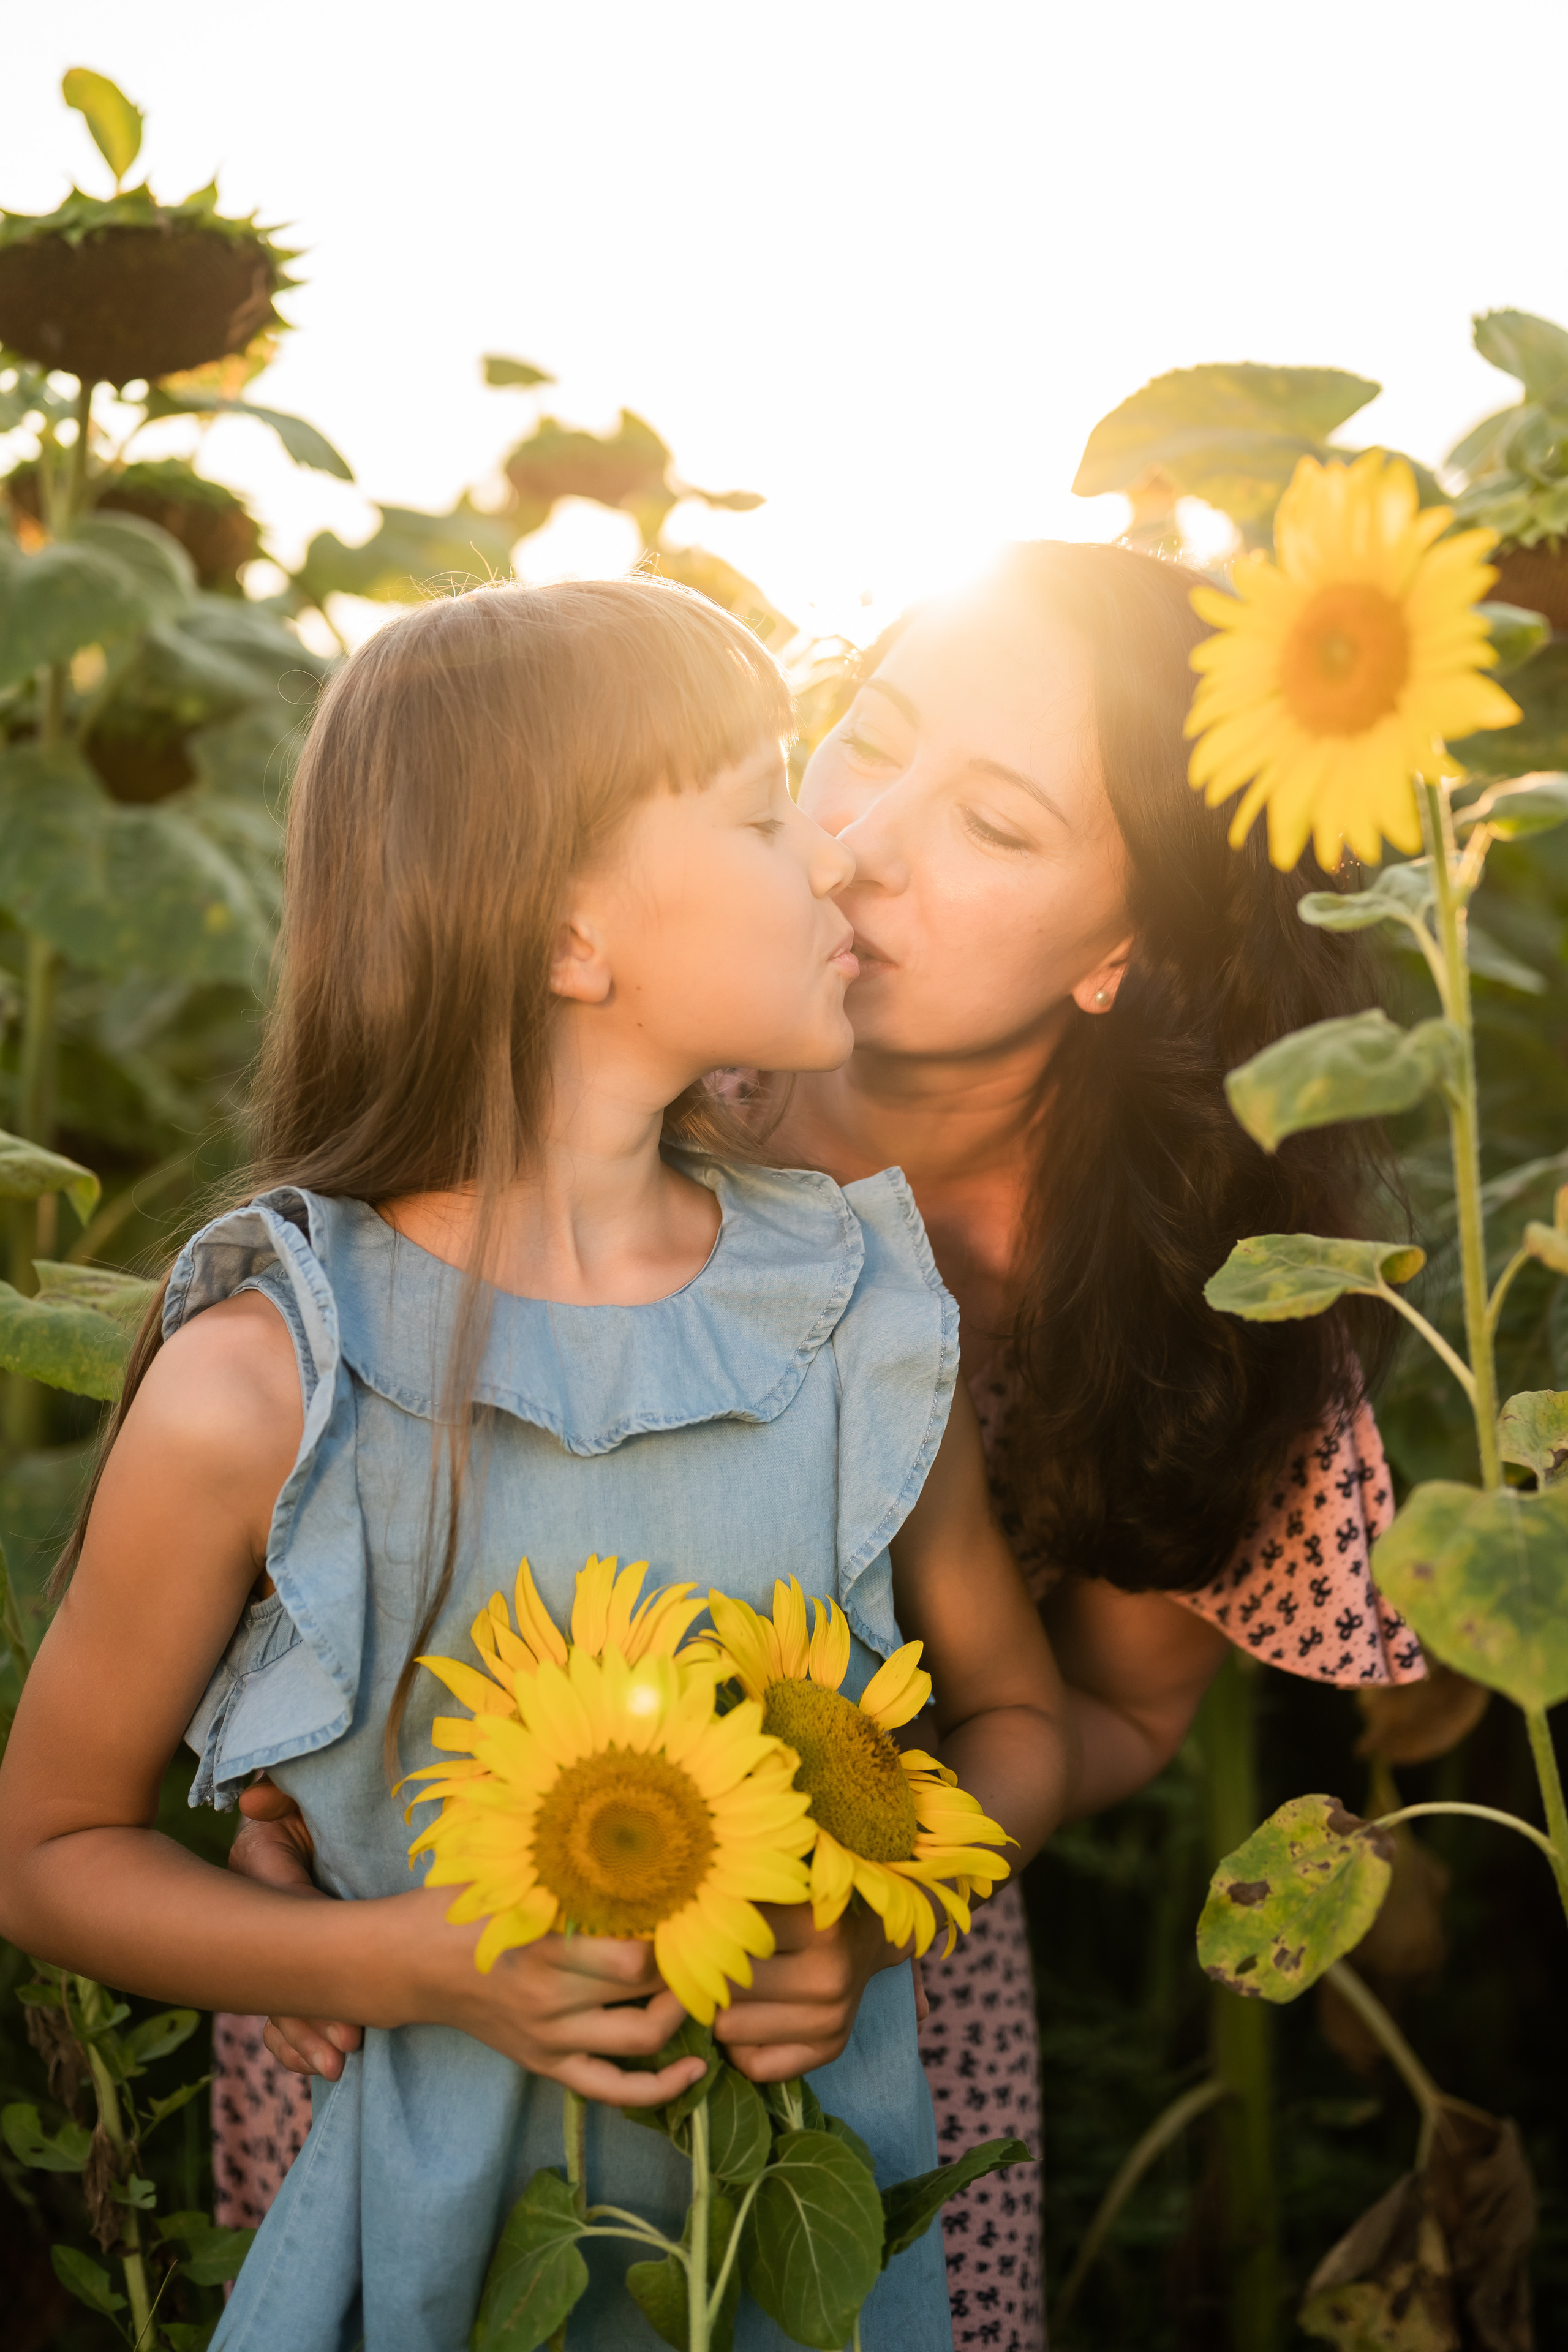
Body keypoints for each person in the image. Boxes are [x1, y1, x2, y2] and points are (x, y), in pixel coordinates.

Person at [217, 541, 1425, 2351]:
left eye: (995, 824)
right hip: (429, 1964)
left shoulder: (1205, 1292)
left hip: (845, 1991)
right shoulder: (626, 1059)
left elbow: (1111, 1712)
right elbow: (341, 1442)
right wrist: (300, 1810)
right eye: (872, 732)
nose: (858, 842)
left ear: (1131, 951)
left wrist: (857, 1879)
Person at [0, 579, 1073, 2352]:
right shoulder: (265, 1382)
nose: (831, 851)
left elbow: (1019, 1724)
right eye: (760, 811)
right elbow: (48, 1848)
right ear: (573, 936)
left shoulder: (850, 1310)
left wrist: (868, 1934)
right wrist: (396, 1963)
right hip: (445, 2257)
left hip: (805, 2244)